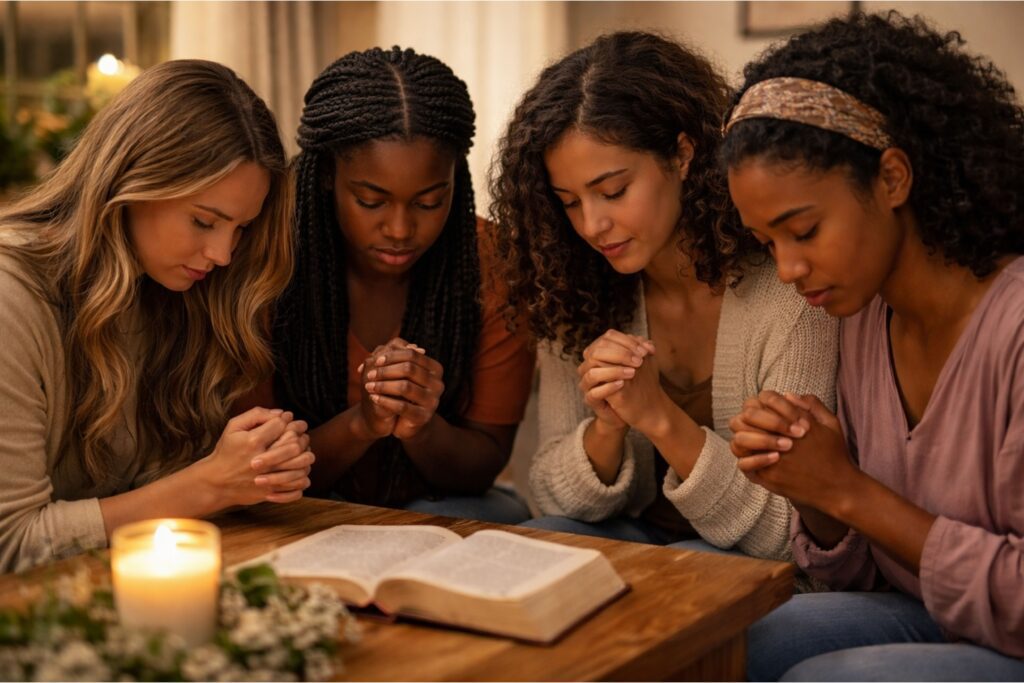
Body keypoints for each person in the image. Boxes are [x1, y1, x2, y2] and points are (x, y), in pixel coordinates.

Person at [722, 12, 1024, 680]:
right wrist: (809, 487)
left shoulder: (1015, 327)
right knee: (727, 637)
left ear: (892, 178)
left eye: (803, 229)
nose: (789, 268)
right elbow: (861, 572)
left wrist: (849, 489)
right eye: (768, 242)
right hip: (932, 612)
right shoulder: (860, 314)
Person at [489, 31, 837, 557]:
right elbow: (550, 498)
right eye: (569, 202)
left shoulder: (790, 295)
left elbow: (787, 533)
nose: (592, 224)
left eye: (612, 191)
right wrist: (606, 429)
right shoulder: (570, 290)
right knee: (539, 551)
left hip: (754, 567)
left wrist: (657, 417)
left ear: (682, 154)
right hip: (637, 542)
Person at [0, 60, 312, 573]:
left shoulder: (174, 294)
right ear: (132, 180)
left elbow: (152, 493)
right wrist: (208, 484)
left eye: (240, 229)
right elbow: (12, 543)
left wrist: (254, 466)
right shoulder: (13, 296)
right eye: (204, 221)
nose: (223, 254)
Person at [244, 47, 534, 523]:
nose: (400, 229)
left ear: (456, 184)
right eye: (371, 200)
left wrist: (419, 425)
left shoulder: (490, 263)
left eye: (429, 202)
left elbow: (483, 464)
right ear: (327, 178)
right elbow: (258, 468)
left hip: (443, 502)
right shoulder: (266, 260)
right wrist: (362, 424)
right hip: (296, 501)